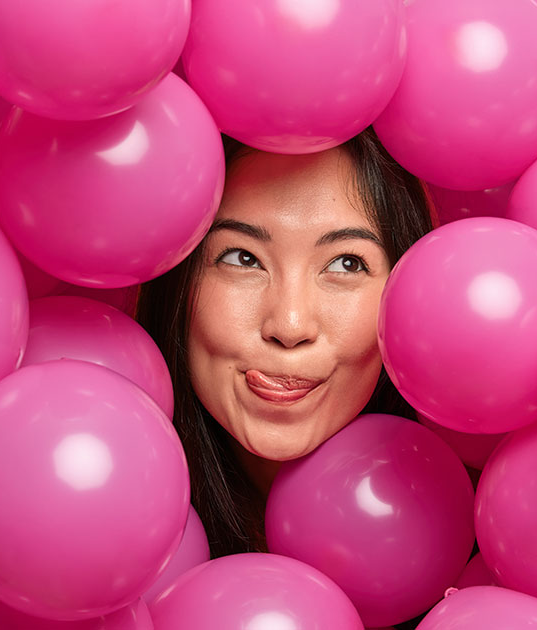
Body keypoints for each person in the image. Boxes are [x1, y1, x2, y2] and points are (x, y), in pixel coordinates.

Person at [136, 127, 433, 626]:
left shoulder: (477, 547)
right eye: (242, 258)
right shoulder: (104, 539)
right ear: (178, 282)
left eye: (346, 263)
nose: (290, 325)